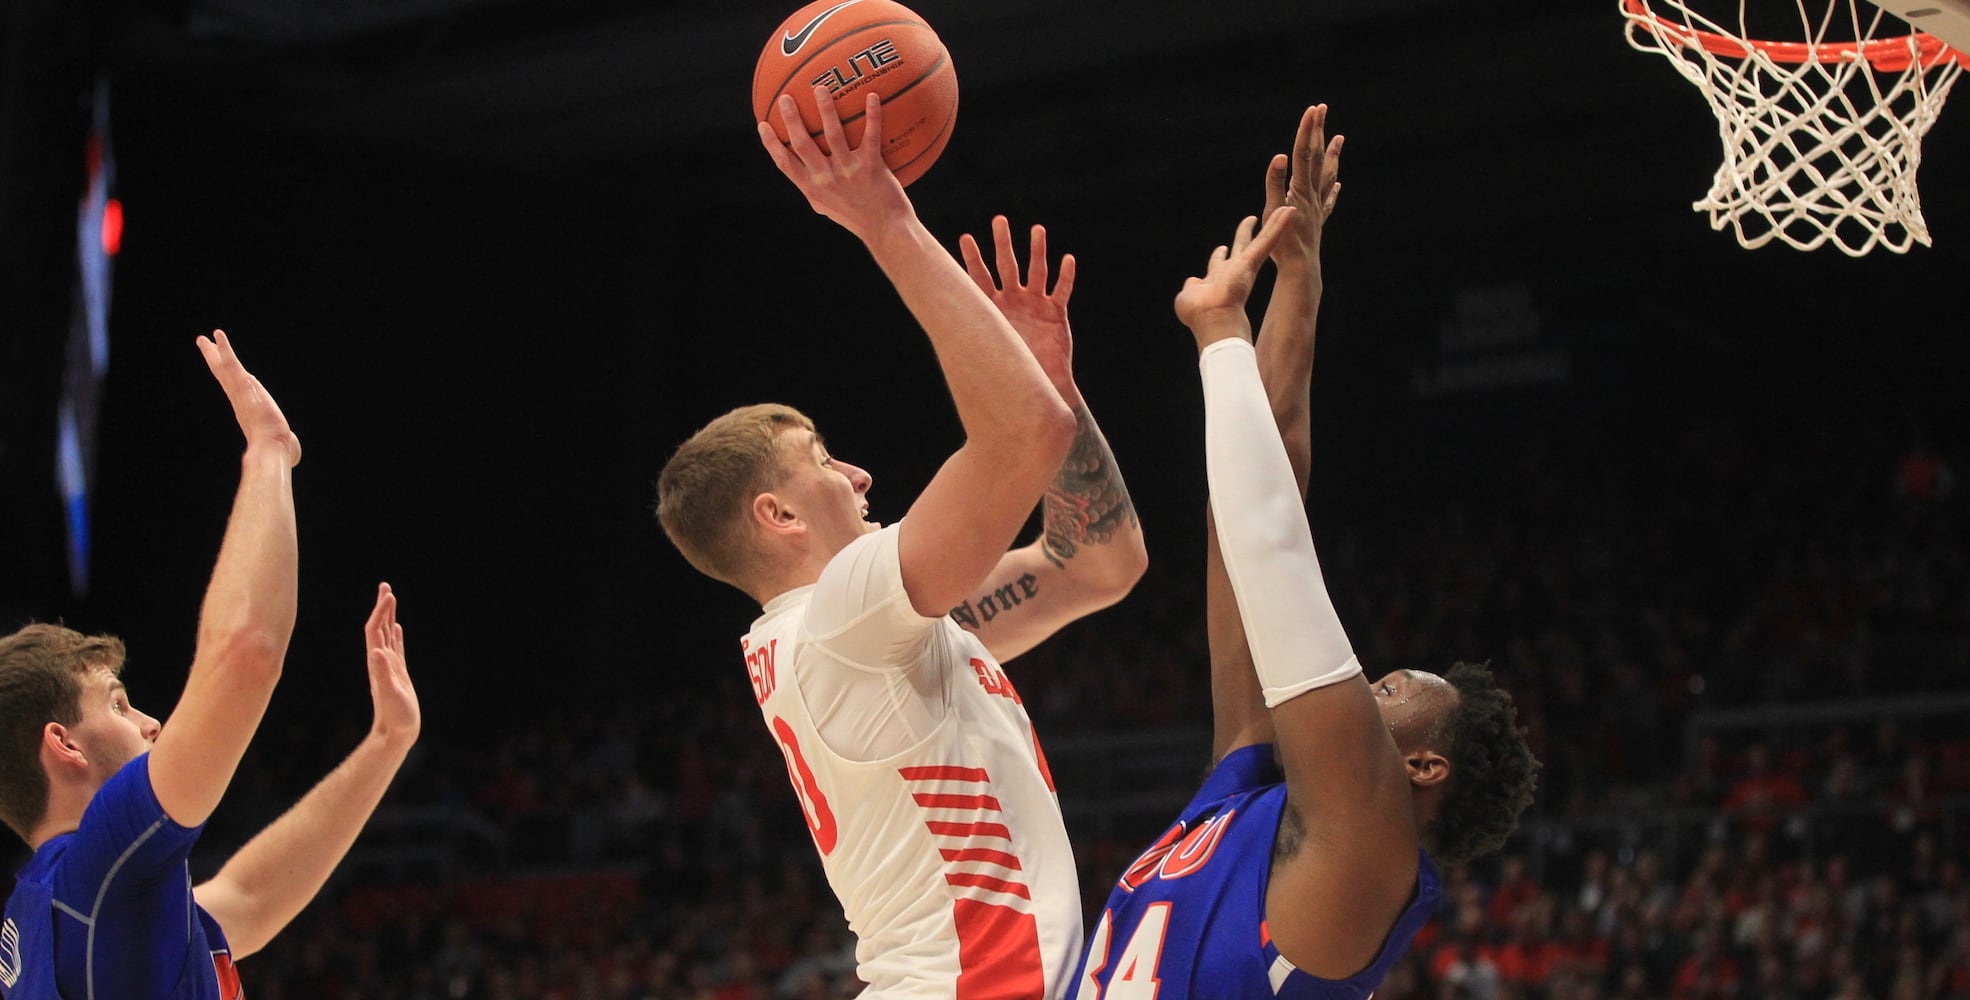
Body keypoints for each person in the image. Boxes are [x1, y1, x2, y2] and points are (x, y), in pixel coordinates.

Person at [654, 87, 1147, 999]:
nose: (859, 475)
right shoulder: (844, 621)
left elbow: (1098, 565)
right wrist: (885, 221)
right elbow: (1019, 437)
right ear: (779, 516)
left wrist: (1055, 391)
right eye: (823, 461)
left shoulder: (876, 639)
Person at [1070, 105, 1539, 1000]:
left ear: (1422, 769)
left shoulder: (1370, 853)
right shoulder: (1247, 796)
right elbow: (1253, 518)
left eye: (1393, 690)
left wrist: (1220, 344)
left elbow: (1278, 553)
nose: (1366, 683)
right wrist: (1300, 279)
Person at [0, 332, 422, 999]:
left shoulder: (54, 906)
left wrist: (386, 743)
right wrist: (269, 452)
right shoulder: (105, 864)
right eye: (116, 702)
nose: (152, 723)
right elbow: (245, 652)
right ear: (63, 744)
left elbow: (247, 898)